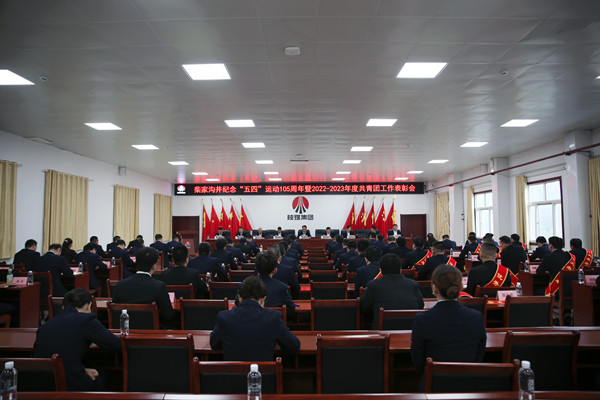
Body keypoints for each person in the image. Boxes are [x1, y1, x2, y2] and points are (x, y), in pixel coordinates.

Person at [33, 288, 121, 391]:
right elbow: (116, 344)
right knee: (111, 376)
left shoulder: (44, 326)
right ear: (88, 306)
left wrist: (82, 370)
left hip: (42, 385)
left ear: (63, 307)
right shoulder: (86, 320)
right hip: (70, 385)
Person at [411, 265, 487, 382]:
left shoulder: (422, 319)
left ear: (434, 289)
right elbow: (479, 354)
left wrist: (428, 375)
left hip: (433, 383)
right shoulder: (476, 317)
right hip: (468, 383)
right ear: (461, 287)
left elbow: (418, 359)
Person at [210, 276, 300, 361]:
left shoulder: (224, 317)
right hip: (263, 372)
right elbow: (293, 346)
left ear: (239, 298)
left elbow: (214, 344)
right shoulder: (273, 317)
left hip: (232, 372)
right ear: (263, 299)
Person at [111, 246, 174, 325]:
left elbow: (115, 310)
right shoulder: (159, 286)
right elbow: (168, 315)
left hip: (126, 329)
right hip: (151, 330)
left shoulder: (120, 284)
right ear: (154, 266)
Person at [360, 253, 424, 329]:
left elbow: (363, 307)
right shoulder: (412, 284)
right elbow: (421, 305)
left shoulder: (373, 285)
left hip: (382, 333)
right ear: (400, 270)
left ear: (381, 270)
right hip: (410, 331)